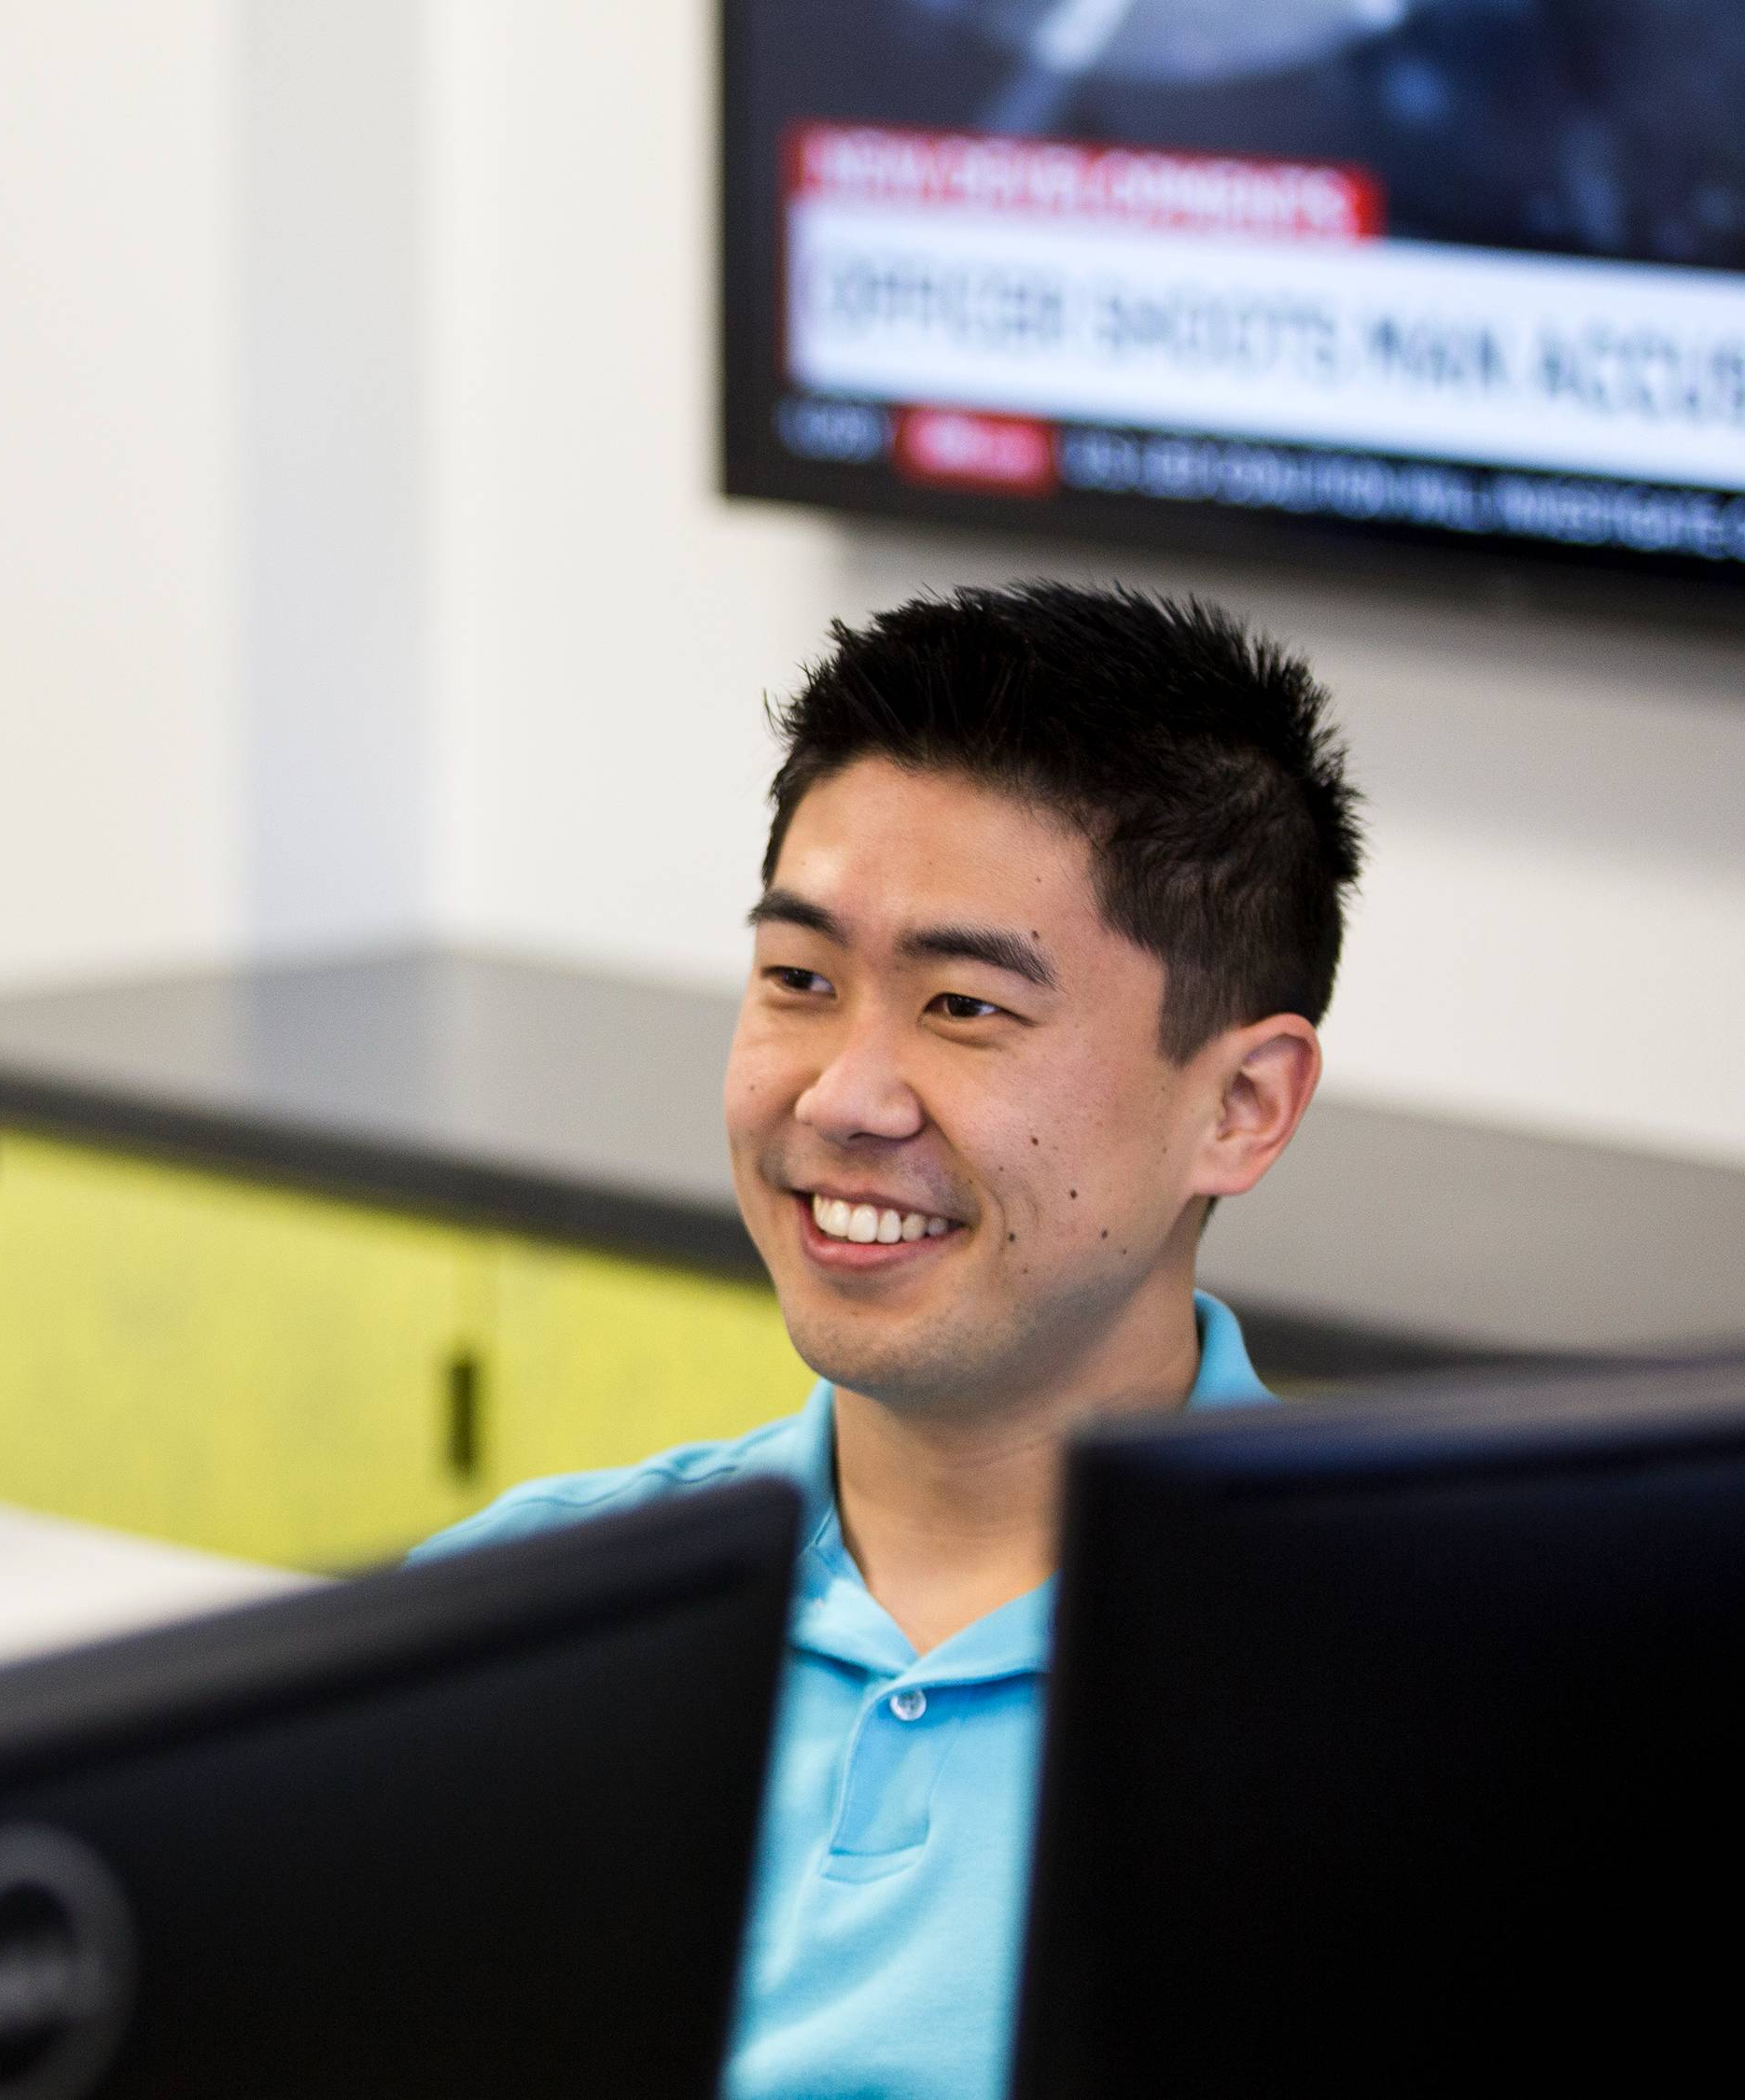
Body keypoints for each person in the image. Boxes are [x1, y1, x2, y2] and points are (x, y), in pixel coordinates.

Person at [417, 581, 1364, 2100]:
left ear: (1241, 1105)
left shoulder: (1403, 1705)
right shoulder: (514, 1626)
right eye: (800, 980)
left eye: (965, 1006)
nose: (845, 1096)